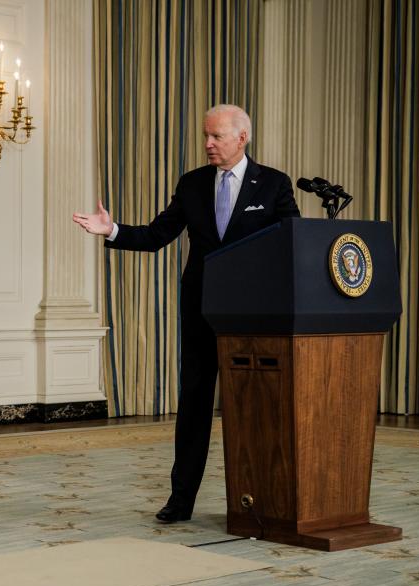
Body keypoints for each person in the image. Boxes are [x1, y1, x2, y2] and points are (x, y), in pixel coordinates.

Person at [73, 104, 300, 523]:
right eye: (205, 136)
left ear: (241, 138)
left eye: (216, 136)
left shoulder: (273, 185)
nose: (208, 144)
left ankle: (264, 497)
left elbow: (291, 244)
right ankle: (181, 500)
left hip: (254, 315)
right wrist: (114, 230)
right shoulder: (193, 183)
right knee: (194, 403)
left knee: (253, 406)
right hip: (202, 310)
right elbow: (159, 234)